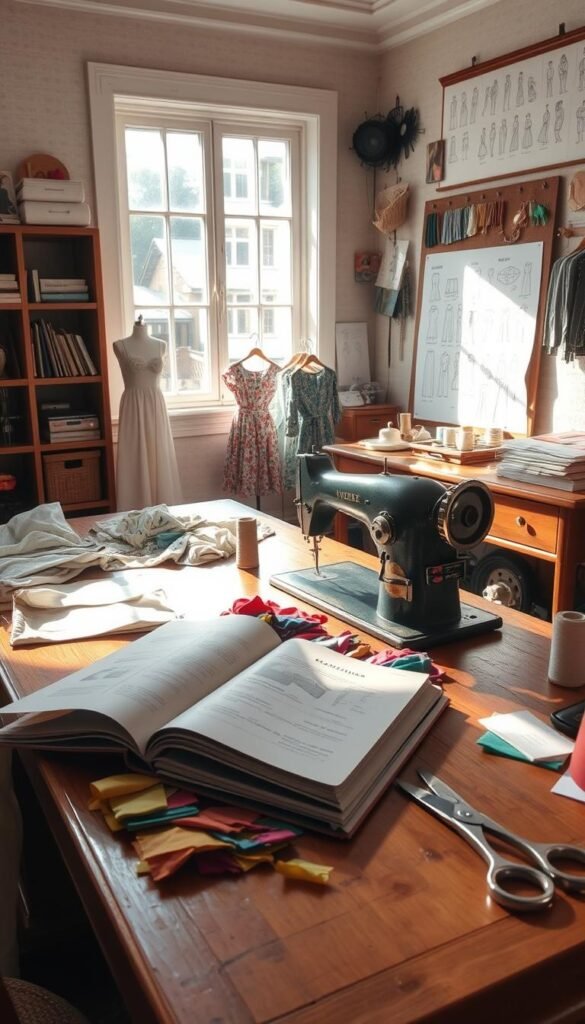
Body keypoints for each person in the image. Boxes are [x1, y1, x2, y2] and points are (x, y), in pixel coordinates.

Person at [113, 317, 182, 511]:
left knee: (159, 456)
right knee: (136, 457)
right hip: (133, 407)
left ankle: (162, 512)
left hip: (155, 405)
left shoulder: (161, 345)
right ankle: (135, 508)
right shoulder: (120, 346)